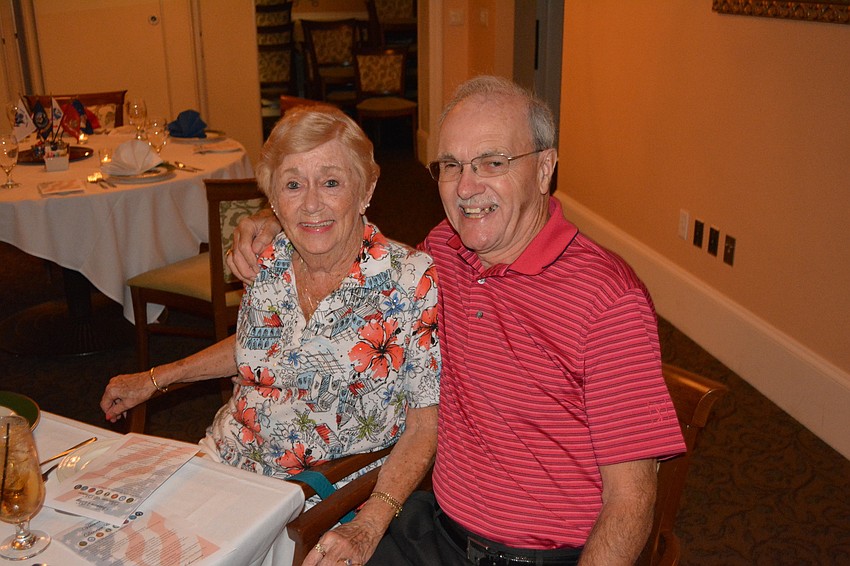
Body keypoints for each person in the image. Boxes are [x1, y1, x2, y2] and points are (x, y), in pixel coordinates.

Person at [228, 77, 686, 566]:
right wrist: (280, 217)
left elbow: (630, 500)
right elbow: (362, 266)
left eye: (493, 162)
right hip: (436, 531)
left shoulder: (607, 298)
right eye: (451, 165)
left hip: (538, 555)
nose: (467, 188)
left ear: (544, 168)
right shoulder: (443, 252)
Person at [100, 105, 440, 565]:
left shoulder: (411, 282)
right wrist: (155, 377)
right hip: (223, 459)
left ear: (367, 190)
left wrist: (371, 521)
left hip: (313, 497)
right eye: (293, 184)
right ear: (274, 201)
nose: (312, 203)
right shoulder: (269, 257)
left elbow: (425, 425)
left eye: (332, 182)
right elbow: (259, 347)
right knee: (110, 535)